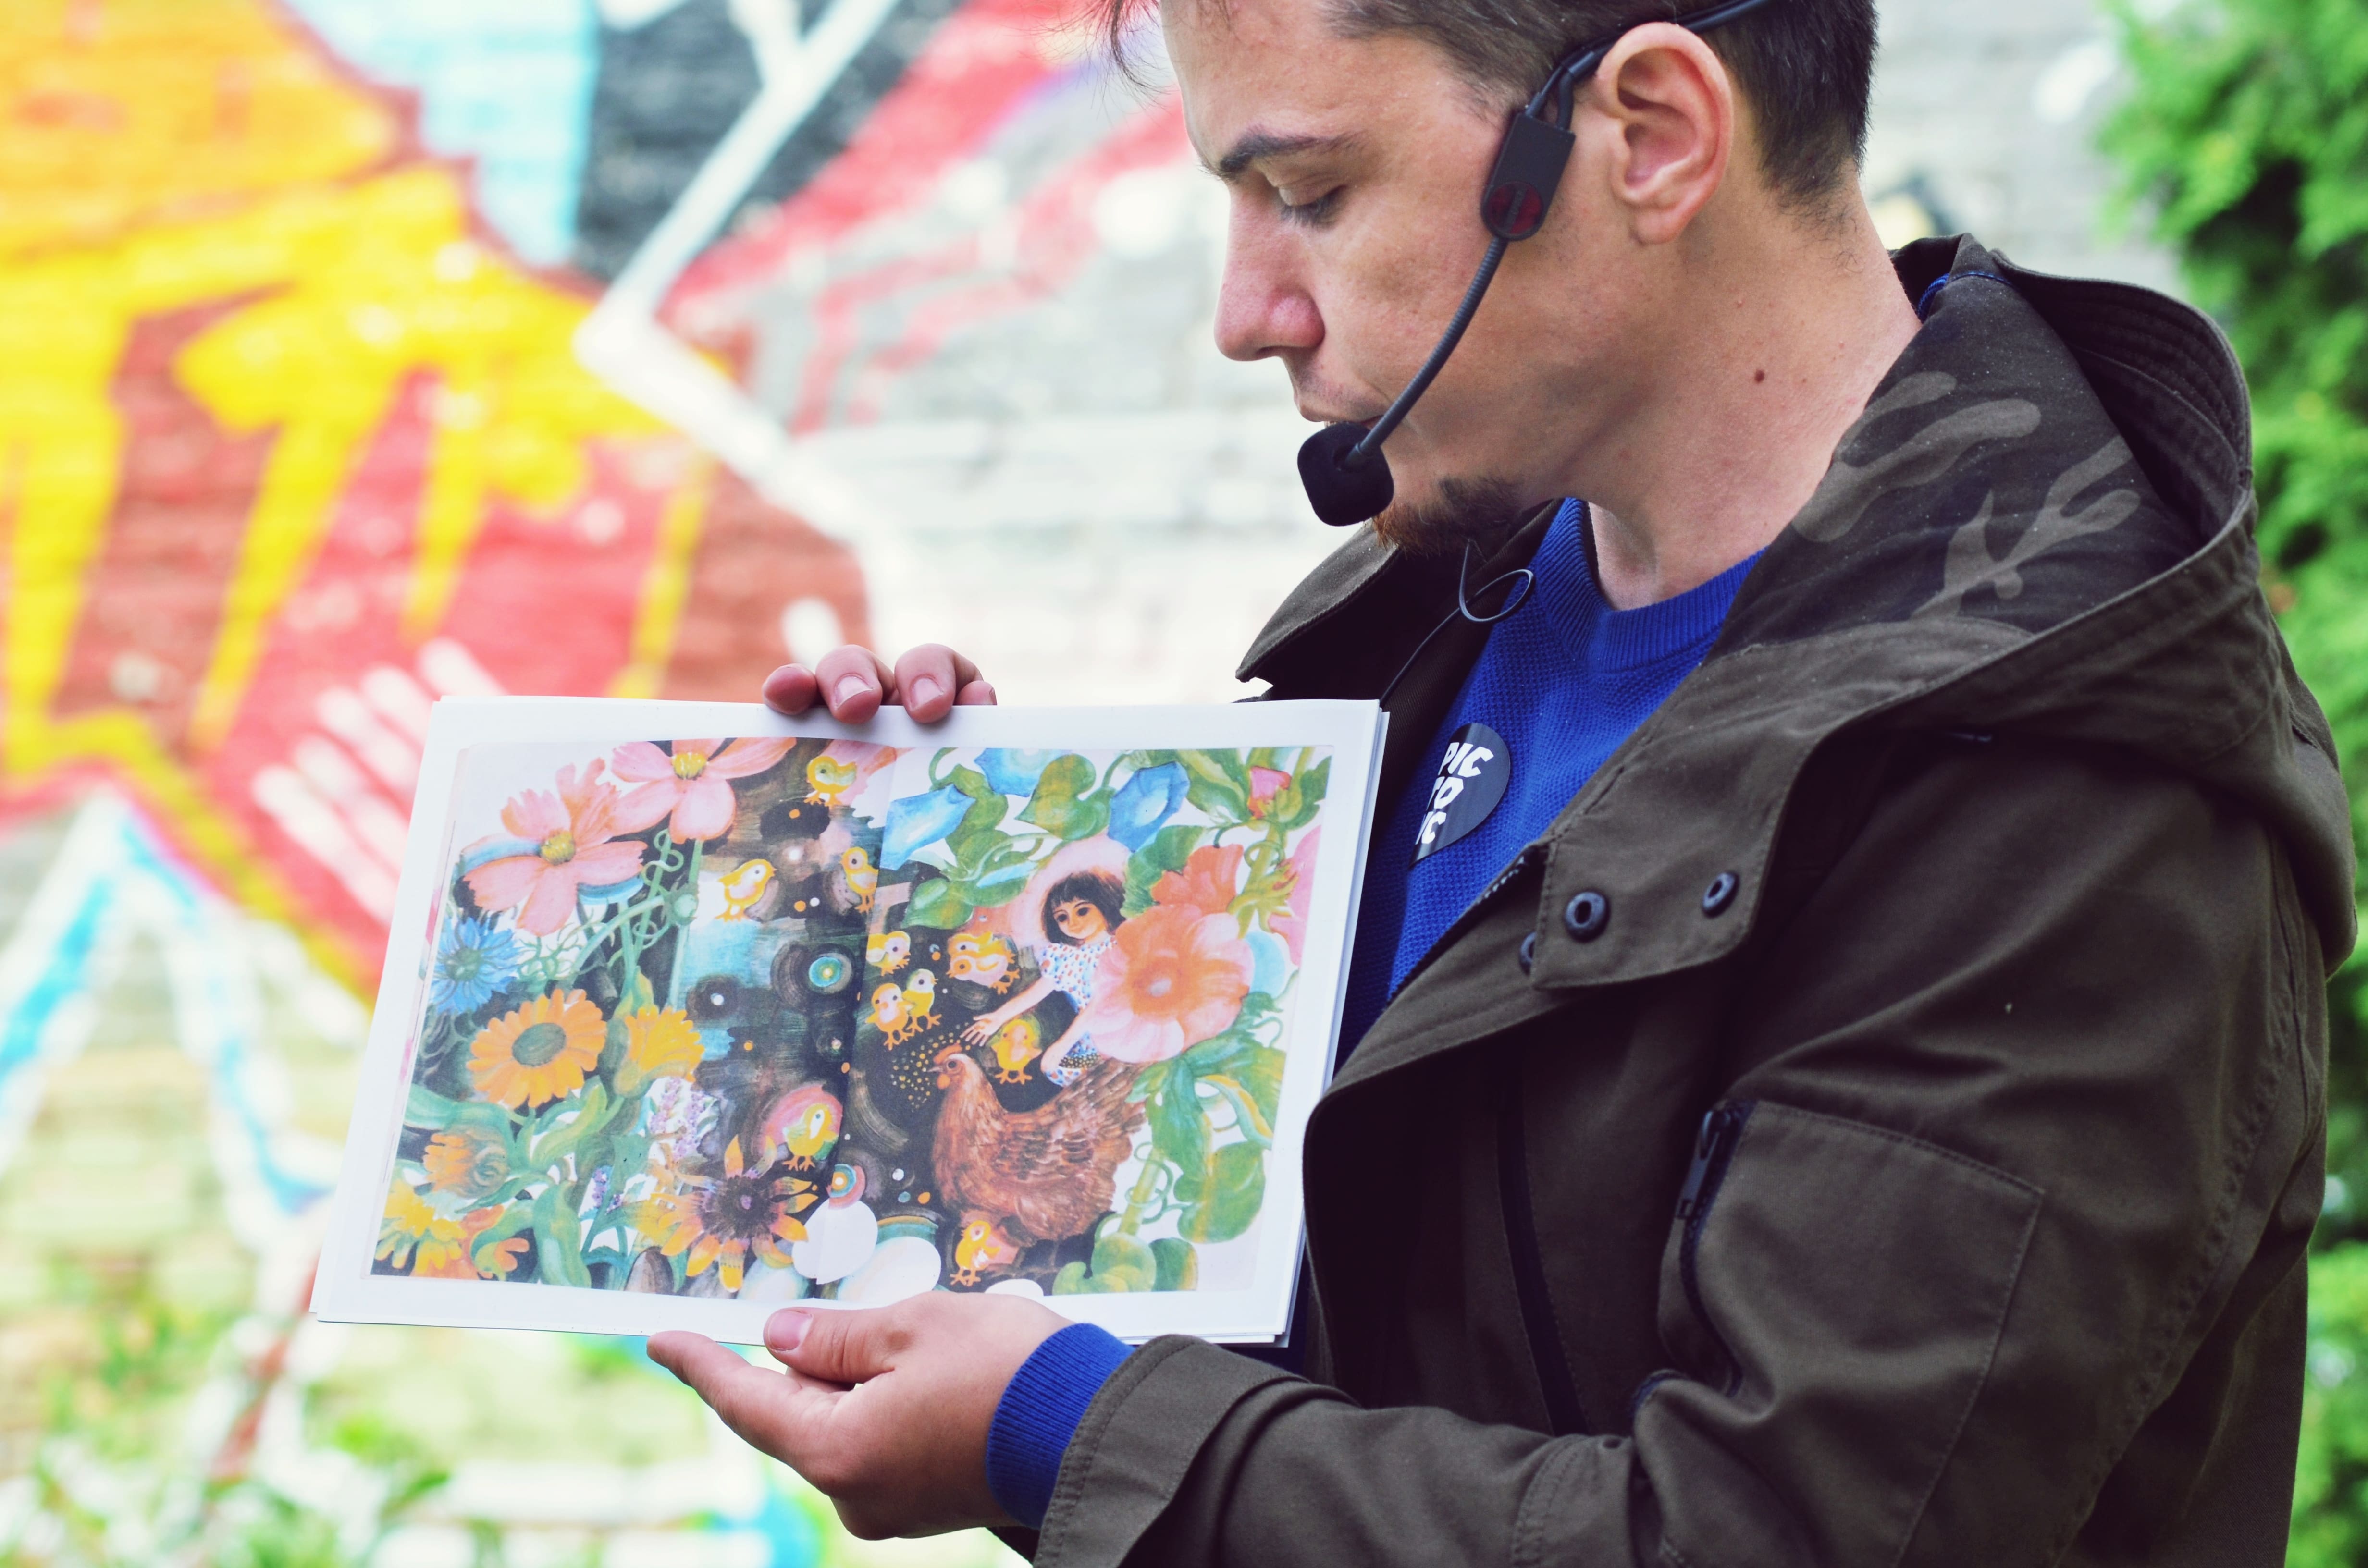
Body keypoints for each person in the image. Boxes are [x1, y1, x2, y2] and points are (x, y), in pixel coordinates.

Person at [645, 0, 2356, 1556]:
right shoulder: (1430, 618)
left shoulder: (2061, 792)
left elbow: (1757, 1532)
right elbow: (1337, 1343)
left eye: (1308, 193)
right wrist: (951, 913)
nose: (1245, 316)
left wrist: (1062, 1431)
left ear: (1649, 136)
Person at [961, 870, 1129, 1085]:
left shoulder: (1120, 946)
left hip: (1122, 1022)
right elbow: (1038, 991)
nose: (1073, 923)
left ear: (1103, 904)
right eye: (1062, 917)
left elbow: (1100, 1004)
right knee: (1055, 1069)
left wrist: (1064, 1044)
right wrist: (999, 1017)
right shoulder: (1067, 956)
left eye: (1082, 911)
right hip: (1090, 1034)